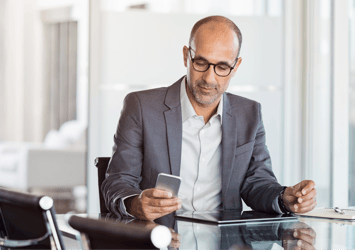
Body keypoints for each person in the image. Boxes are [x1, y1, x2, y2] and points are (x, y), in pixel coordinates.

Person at [101, 15, 317, 221]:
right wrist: (134, 203)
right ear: (186, 56)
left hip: (223, 240)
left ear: (236, 66)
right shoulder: (141, 107)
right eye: (201, 63)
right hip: (160, 237)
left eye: (222, 67)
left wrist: (284, 198)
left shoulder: (249, 114)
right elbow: (117, 182)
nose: (209, 78)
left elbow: (257, 184)